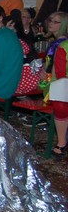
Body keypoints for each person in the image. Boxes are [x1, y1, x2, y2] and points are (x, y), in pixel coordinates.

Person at [42, 12, 68, 156]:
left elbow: (57, 72)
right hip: (56, 84)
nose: (51, 23)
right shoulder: (58, 43)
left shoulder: (60, 44)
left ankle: (61, 142)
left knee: (61, 107)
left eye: (55, 22)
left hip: (57, 86)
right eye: (50, 20)